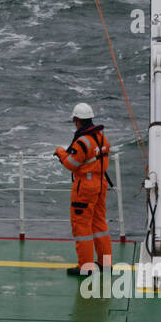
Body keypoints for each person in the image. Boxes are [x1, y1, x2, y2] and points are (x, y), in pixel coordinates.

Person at [54, 102, 112, 276]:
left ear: (77, 120)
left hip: (85, 188)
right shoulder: (102, 138)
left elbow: (71, 164)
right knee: (100, 224)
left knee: (82, 228)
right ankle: (105, 264)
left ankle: (85, 267)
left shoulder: (82, 142)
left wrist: (60, 152)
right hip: (101, 185)